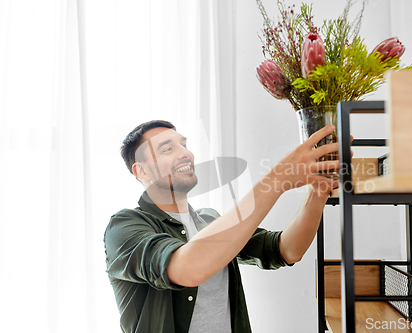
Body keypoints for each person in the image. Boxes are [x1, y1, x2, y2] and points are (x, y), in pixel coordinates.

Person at [104, 120, 344, 333]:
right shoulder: (124, 227)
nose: (185, 154)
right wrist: (278, 179)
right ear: (141, 170)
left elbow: (287, 250)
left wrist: (318, 192)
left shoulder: (210, 220)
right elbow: (189, 268)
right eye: (168, 149)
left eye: (184, 145)